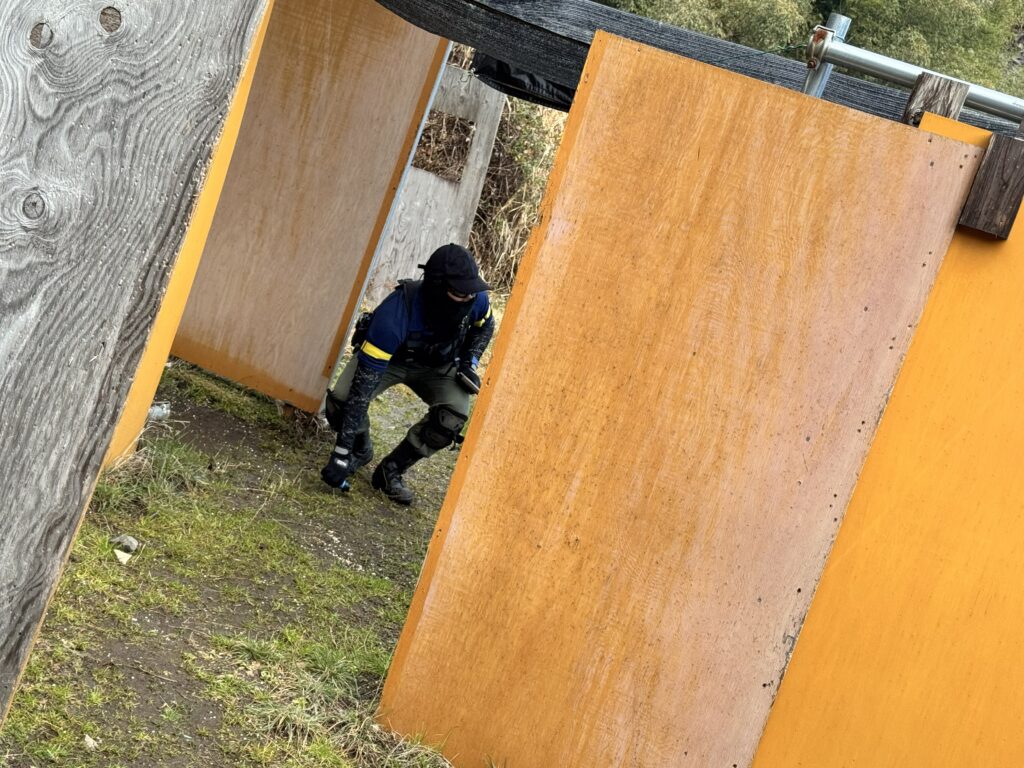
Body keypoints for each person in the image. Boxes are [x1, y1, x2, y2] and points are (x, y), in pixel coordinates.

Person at [320, 244, 495, 504]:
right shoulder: (395, 314)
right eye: (461, 292)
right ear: (437, 287)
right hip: (390, 361)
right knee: (342, 402)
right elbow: (360, 393)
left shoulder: (475, 300)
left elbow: (486, 326)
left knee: (451, 418)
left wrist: (470, 361)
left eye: (472, 290)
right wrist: (342, 453)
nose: (469, 297)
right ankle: (360, 449)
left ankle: (391, 470)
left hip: (438, 367)